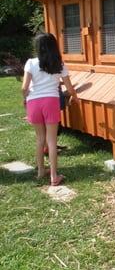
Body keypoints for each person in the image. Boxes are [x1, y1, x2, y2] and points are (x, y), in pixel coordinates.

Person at [21, 33, 79, 185]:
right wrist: (75, 96)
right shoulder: (59, 64)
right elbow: (69, 87)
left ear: (37, 47)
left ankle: (41, 172)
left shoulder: (30, 63)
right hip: (51, 102)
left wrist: (24, 99)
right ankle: (54, 176)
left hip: (33, 102)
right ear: (54, 46)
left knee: (40, 139)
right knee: (51, 141)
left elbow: (24, 87)